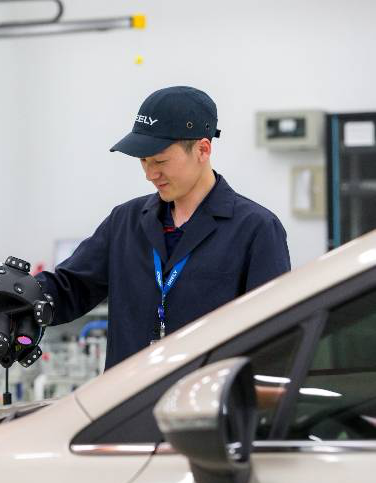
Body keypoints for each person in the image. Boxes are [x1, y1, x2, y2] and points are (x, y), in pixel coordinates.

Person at [35, 85, 291, 370]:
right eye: (143, 161)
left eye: (160, 161)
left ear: (203, 149)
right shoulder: (125, 221)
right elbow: (69, 288)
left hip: (205, 395)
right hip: (129, 394)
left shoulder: (256, 229)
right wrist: (13, 297)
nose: (150, 174)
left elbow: (274, 337)